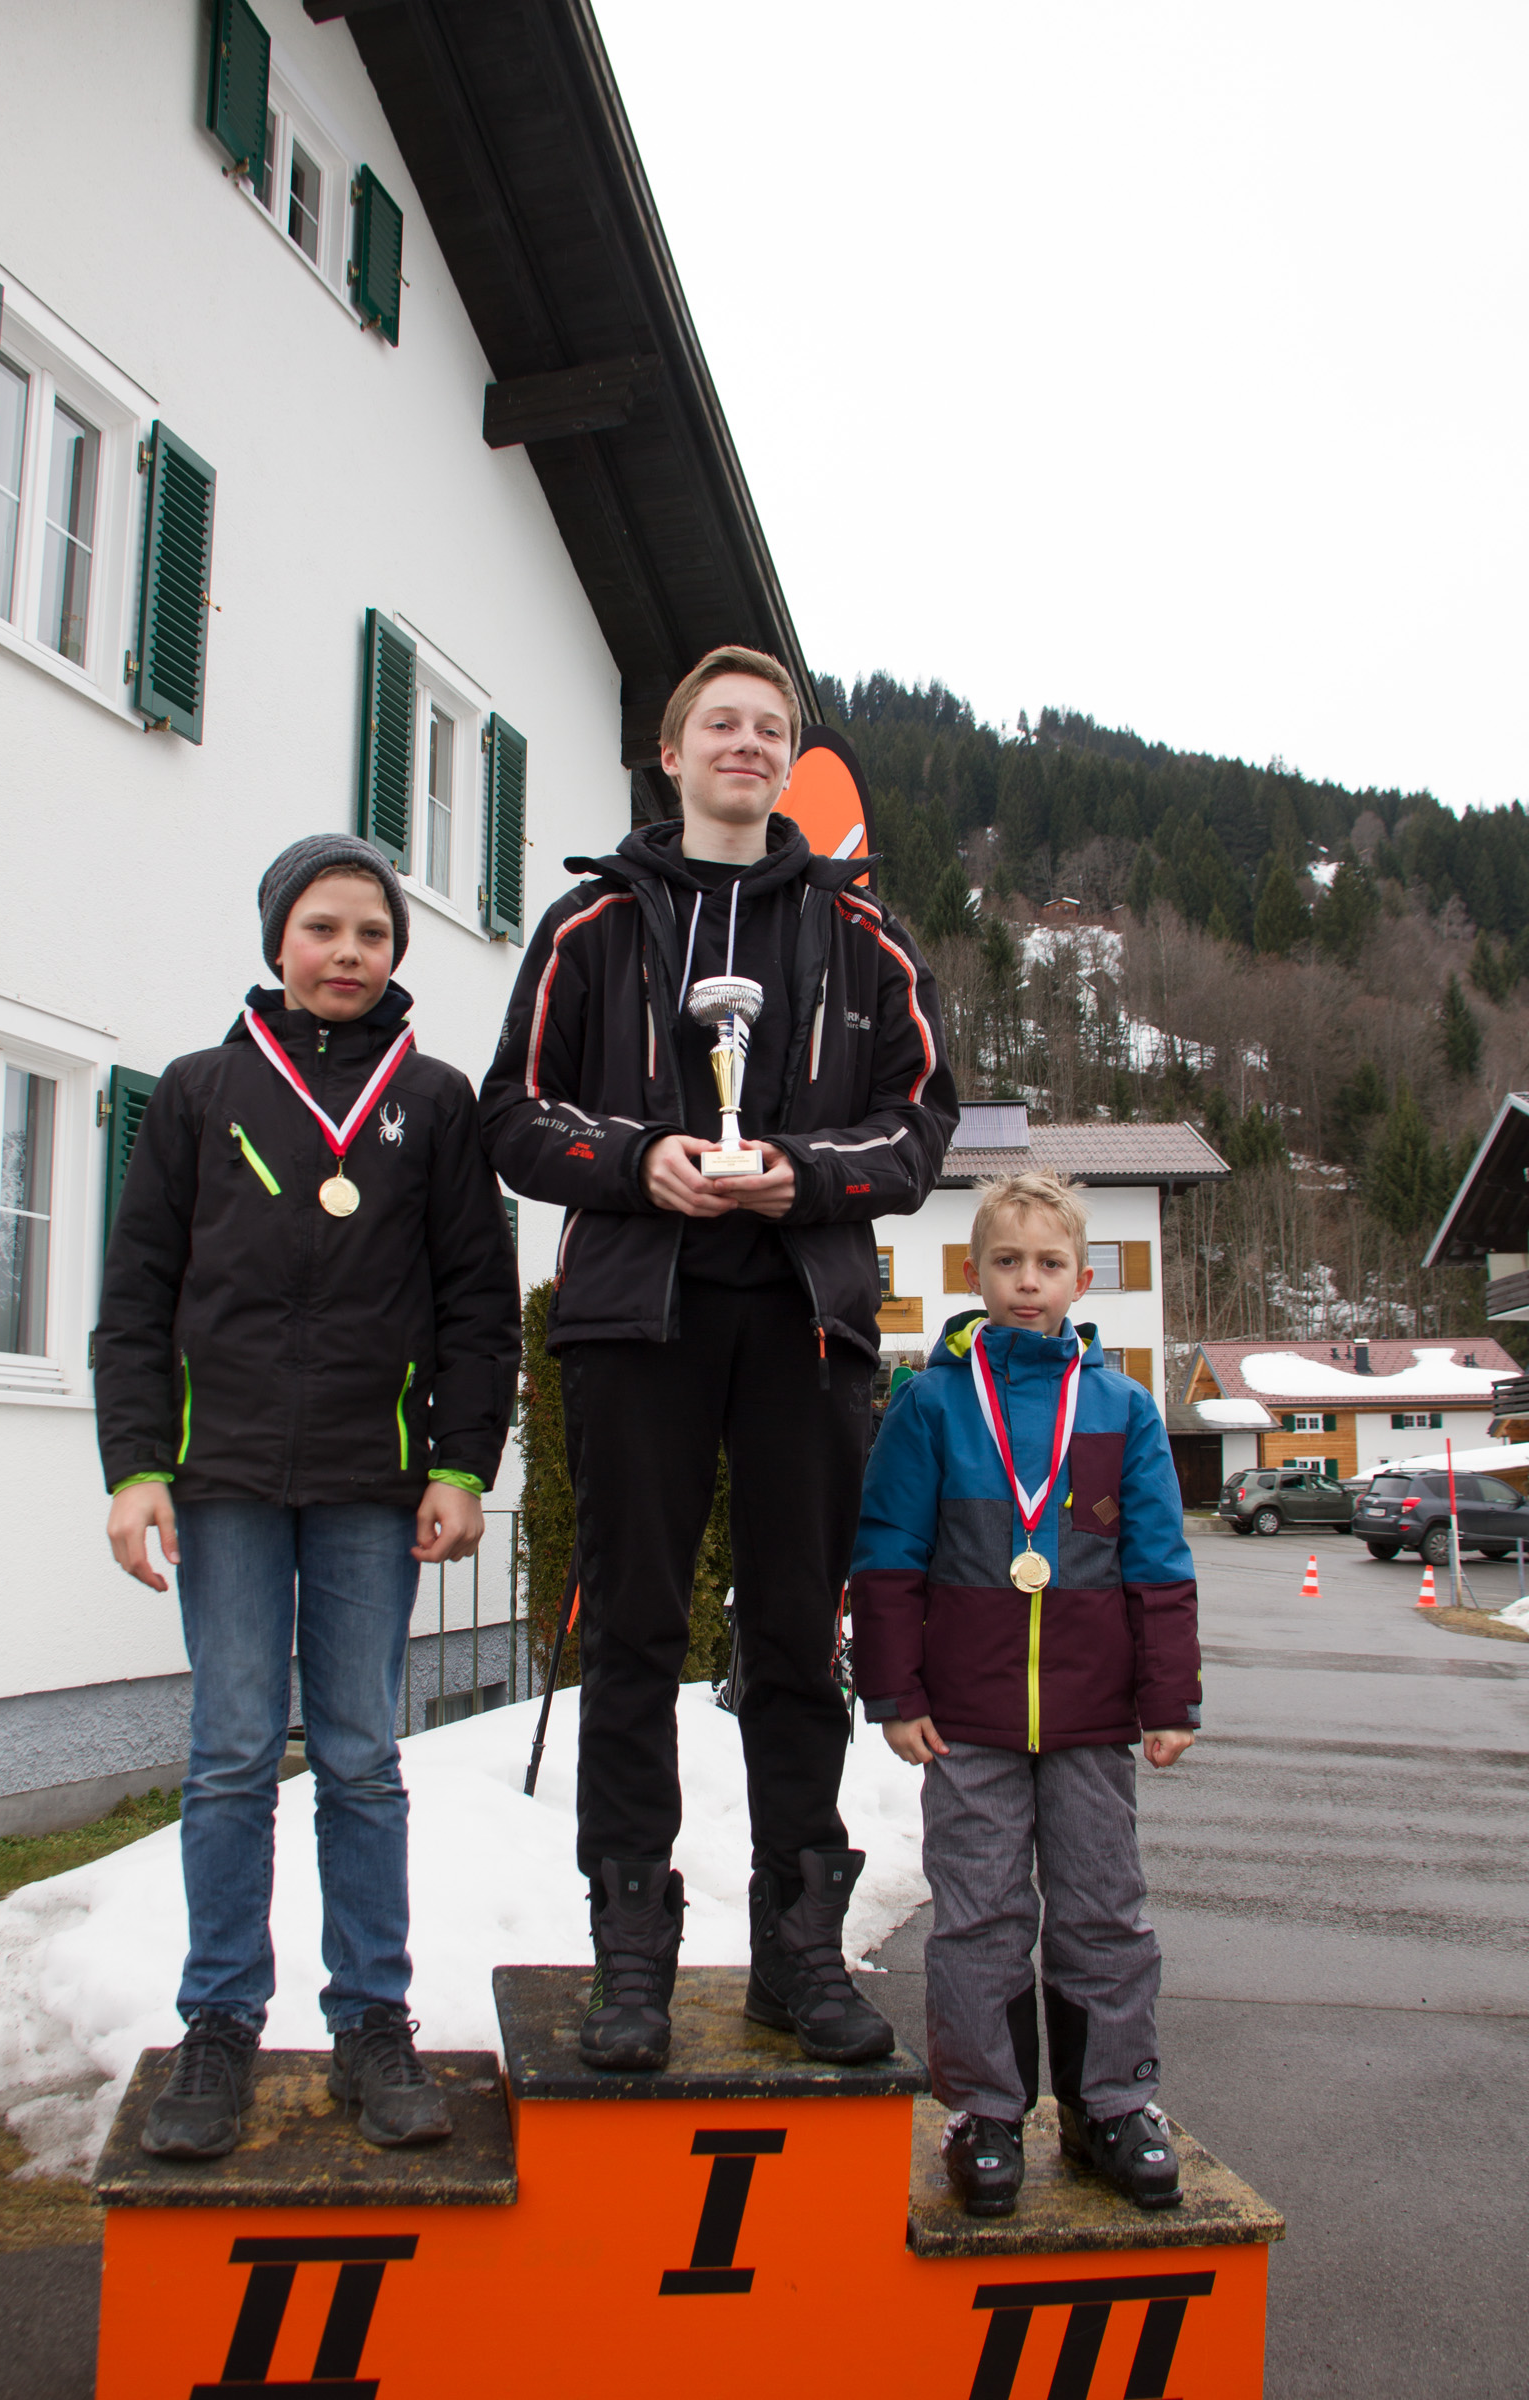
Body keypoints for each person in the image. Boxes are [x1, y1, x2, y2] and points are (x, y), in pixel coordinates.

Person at [480, 645, 957, 2070]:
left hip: (805, 1319)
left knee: (798, 1636)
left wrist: (805, 1176)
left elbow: (920, 1129)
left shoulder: (864, 936)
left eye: (769, 729)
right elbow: (513, 1115)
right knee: (632, 1632)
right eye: (720, 725)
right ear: (673, 754)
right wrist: (639, 1161)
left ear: (787, 763)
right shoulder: (591, 925)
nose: (746, 744)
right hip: (638, 1315)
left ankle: (798, 1954)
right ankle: (631, 1956)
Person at [95, 834, 520, 2158]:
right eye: (323, 929)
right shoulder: (197, 1091)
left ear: (396, 954)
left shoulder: (434, 1102)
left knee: (361, 1760)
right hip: (219, 1477)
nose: (347, 953)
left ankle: (371, 2022)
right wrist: (135, 1467)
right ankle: (219, 2023)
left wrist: (460, 1464)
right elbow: (134, 1297)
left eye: (372, 934)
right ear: (277, 941)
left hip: (367, 1484)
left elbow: (478, 1302)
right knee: (230, 1756)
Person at [849, 1170, 1199, 2214]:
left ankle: (1111, 2106)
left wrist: (1168, 1698)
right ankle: (986, 2113)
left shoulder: (1123, 1409)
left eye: (1049, 1264)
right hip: (965, 1722)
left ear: (1083, 1280)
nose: (1028, 1281)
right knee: (979, 1918)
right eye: (1007, 1262)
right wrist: (895, 1694)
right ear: (975, 1273)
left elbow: (1159, 1562)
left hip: (1091, 1720)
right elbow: (888, 1558)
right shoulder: (931, 1404)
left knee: (1103, 1913)